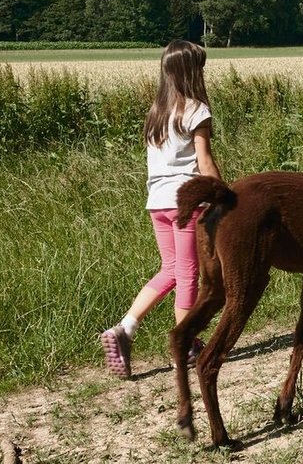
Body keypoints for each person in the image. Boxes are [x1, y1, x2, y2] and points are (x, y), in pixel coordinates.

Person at [100, 39, 219, 380]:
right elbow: (205, 161)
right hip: (185, 202)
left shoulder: (156, 113)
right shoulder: (196, 110)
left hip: (157, 203)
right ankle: (188, 343)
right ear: (191, 73)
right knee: (188, 274)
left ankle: (124, 328)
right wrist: (226, 194)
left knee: (170, 269)